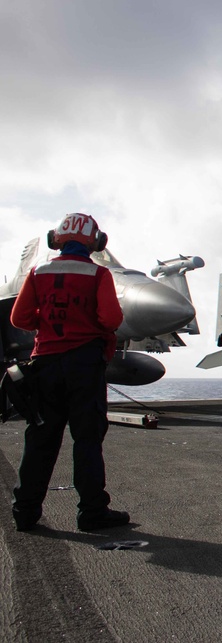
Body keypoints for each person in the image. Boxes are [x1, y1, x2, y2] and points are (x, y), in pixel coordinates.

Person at [9, 213, 129, 532]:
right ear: (96, 242)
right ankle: (92, 512)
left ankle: (25, 511)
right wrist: (84, 322)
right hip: (84, 367)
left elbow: (19, 318)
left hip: (44, 365)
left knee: (40, 440)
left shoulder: (38, 272)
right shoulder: (98, 274)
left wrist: (46, 322)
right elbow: (111, 319)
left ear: (56, 239)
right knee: (87, 440)